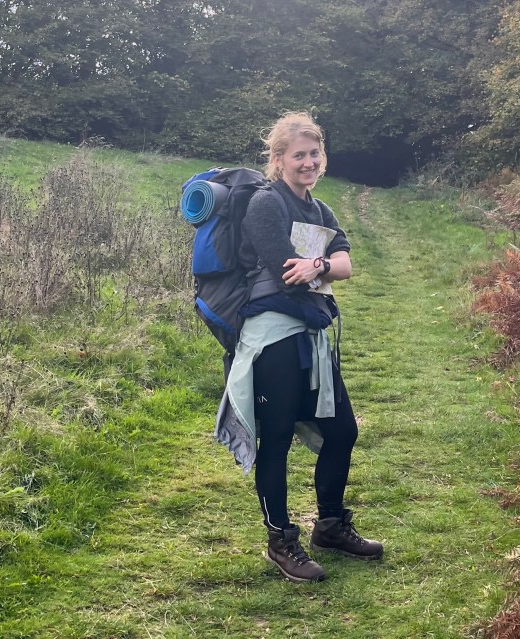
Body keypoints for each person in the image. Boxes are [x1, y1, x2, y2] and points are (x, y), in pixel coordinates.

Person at [215, 112, 382, 583]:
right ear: (279, 159)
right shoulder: (266, 205)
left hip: (310, 334)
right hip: (272, 337)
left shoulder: (320, 210)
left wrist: (321, 265)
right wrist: (317, 267)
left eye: (314, 154)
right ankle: (280, 540)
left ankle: (329, 526)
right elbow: (287, 271)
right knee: (278, 439)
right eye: (299, 155)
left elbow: (345, 264)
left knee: (342, 431)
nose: (308, 162)